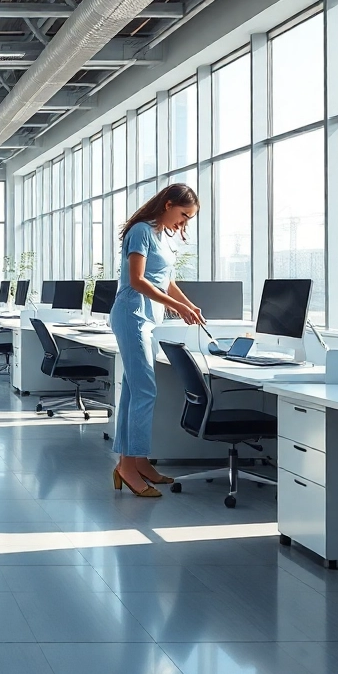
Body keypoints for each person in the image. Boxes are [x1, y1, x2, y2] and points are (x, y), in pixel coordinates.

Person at [110, 183, 205, 498]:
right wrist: (176, 306)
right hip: (133, 315)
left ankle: (138, 462)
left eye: (188, 219)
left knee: (134, 392)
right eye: (183, 215)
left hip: (151, 319)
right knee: (145, 391)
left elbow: (165, 279)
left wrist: (187, 304)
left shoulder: (163, 236)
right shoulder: (141, 231)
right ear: (167, 205)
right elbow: (137, 280)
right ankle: (127, 465)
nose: (184, 223)